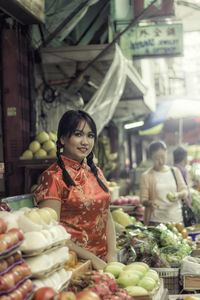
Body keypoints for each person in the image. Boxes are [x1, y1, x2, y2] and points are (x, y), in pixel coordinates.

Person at [34, 110, 116, 269]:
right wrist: (91, 258)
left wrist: (112, 253)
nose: (85, 141)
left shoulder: (96, 172)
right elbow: (53, 233)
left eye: (90, 135)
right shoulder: (52, 177)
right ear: (63, 138)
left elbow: (107, 215)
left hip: (105, 263)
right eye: (78, 134)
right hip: (73, 264)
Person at [140, 140, 188, 226]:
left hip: (177, 220)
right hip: (156, 222)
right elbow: (143, 200)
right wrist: (149, 203)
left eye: (163, 157)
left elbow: (185, 191)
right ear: (151, 157)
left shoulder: (175, 171)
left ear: (166, 153)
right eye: (157, 158)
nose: (161, 161)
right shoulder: (146, 176)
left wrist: (178, 195)